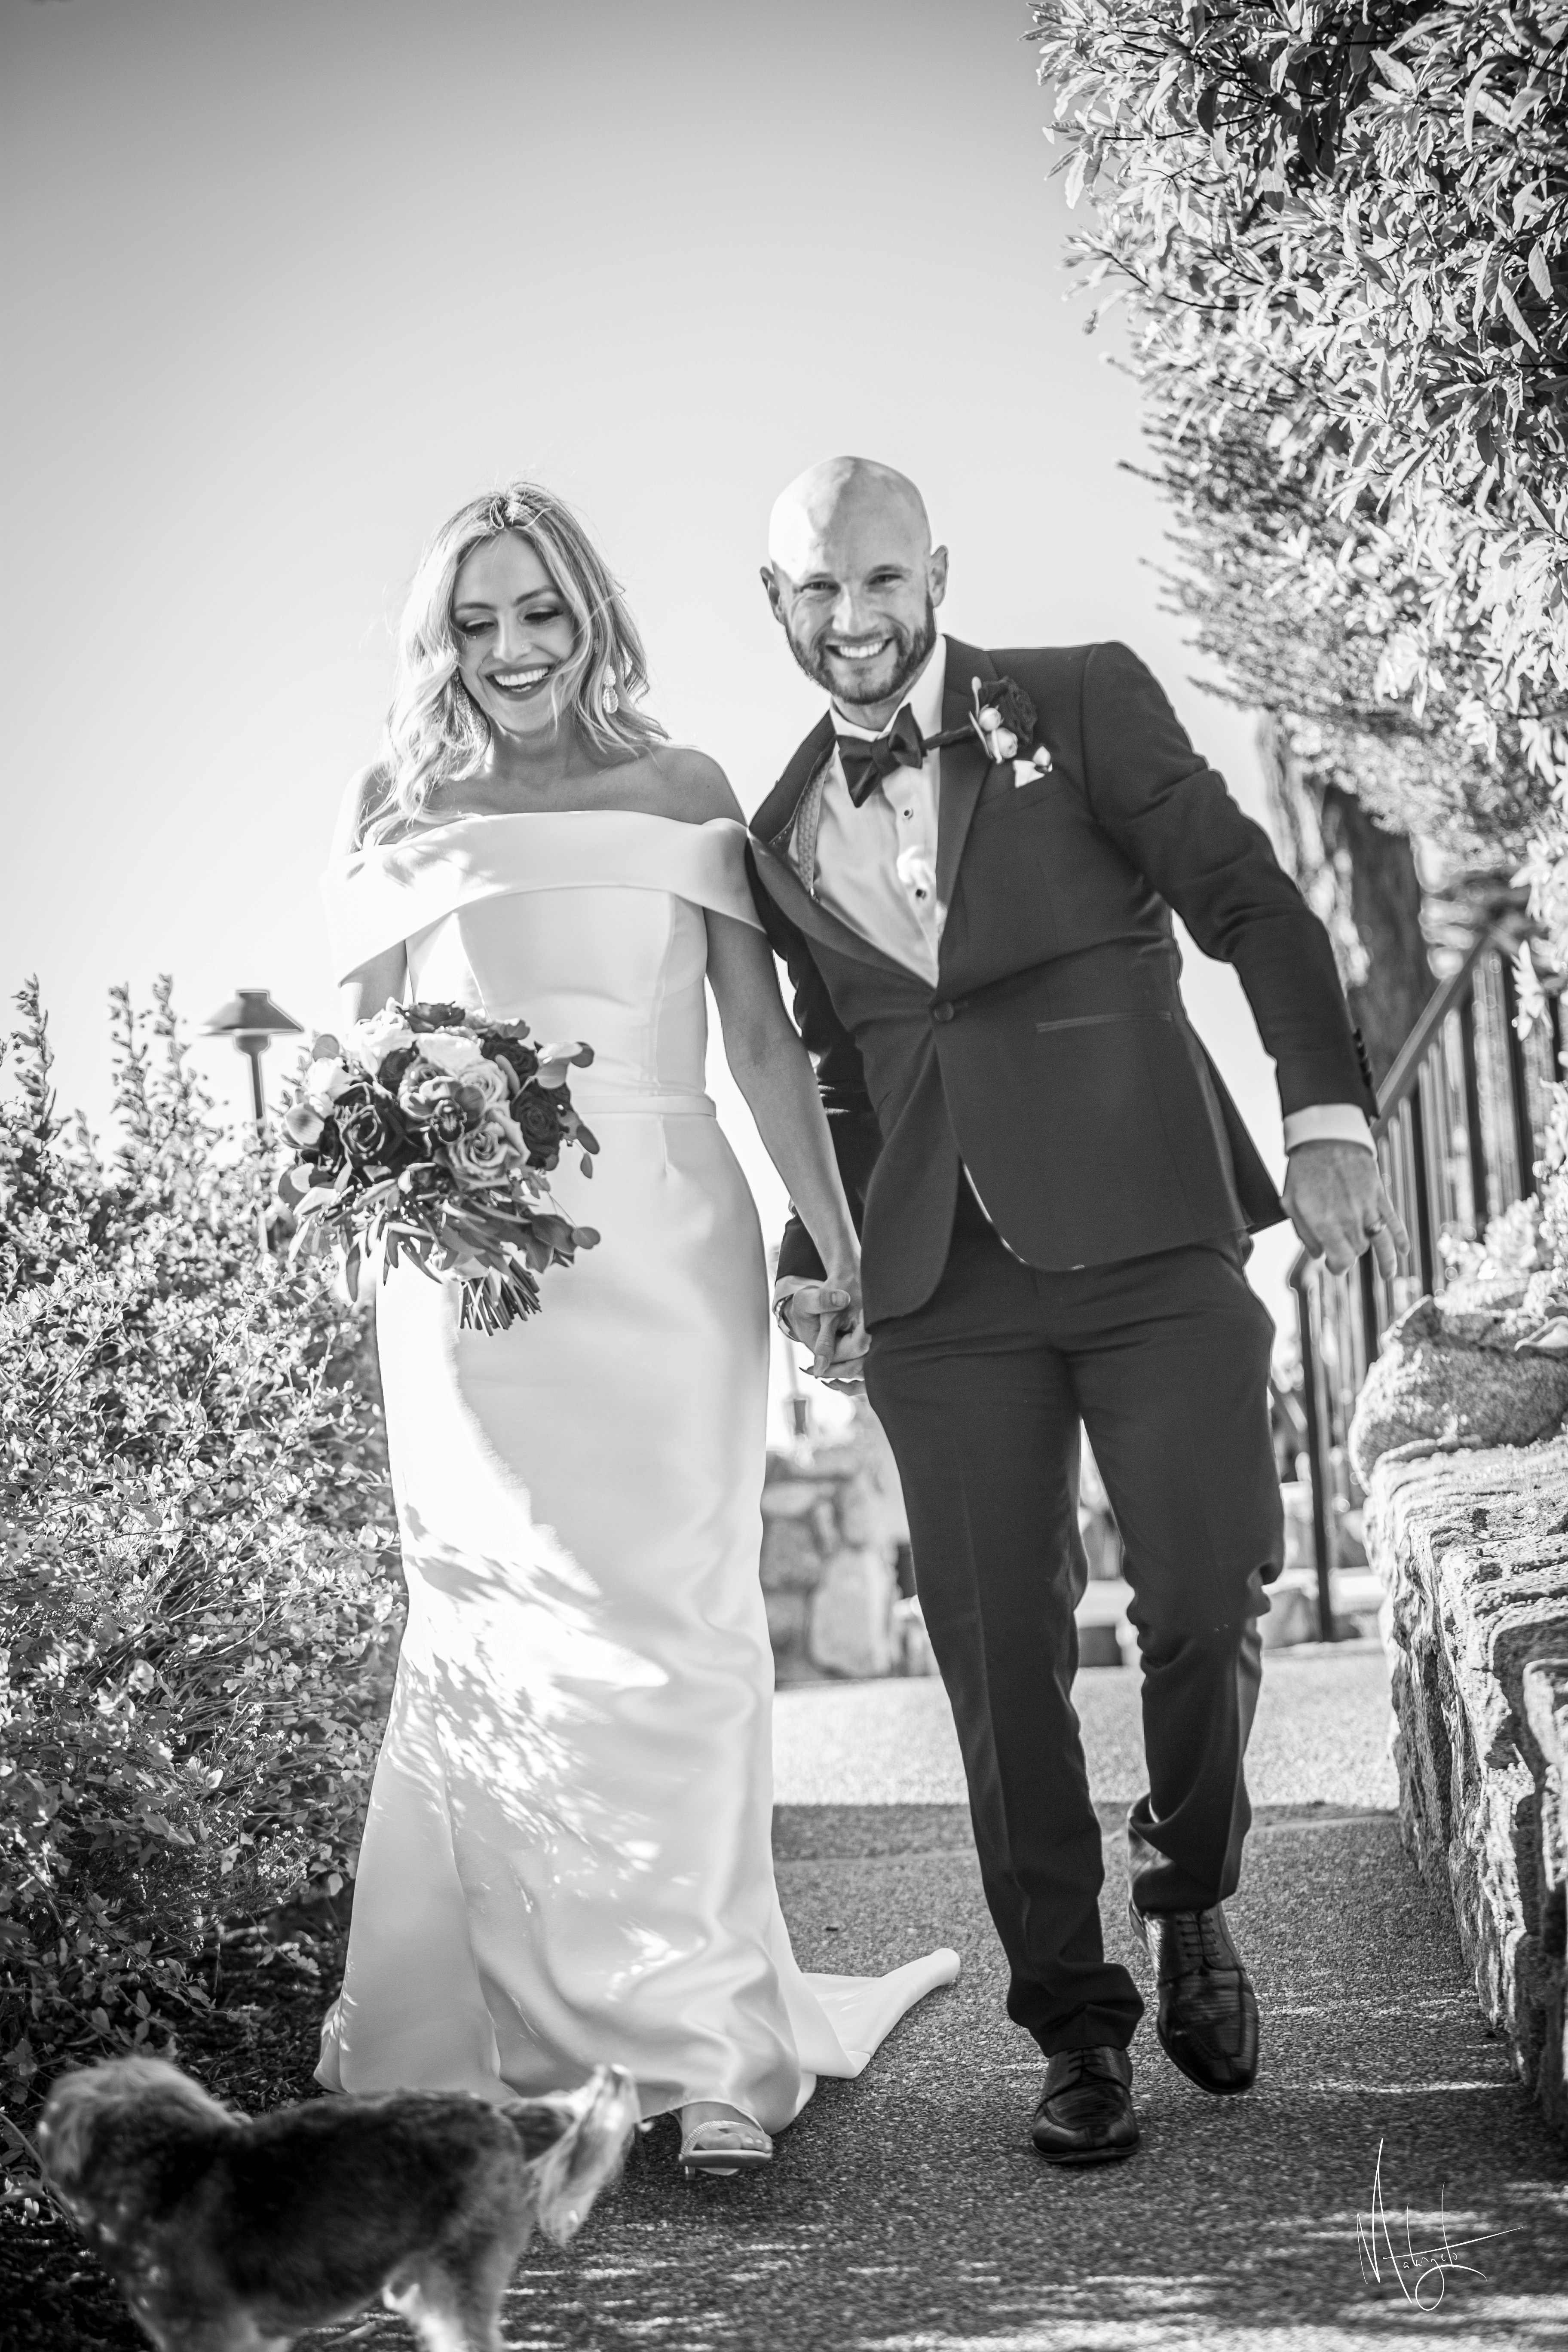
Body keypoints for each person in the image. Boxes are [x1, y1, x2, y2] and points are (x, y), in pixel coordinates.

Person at [750, 456, 1408, 2166]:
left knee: (1206, 1588)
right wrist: (812, 1257)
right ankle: (1076, 2025)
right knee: (998, 1662)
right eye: (817, 590)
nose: (854, 617)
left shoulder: (1081, 700)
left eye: (879, 578)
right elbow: (831, 1075)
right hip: (940, 1299)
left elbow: (1253, 900)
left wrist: (1325, 1120)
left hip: (1153, 1231)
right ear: (779, 610)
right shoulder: (771, 833)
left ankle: (1190, 1888)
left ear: (935, 573)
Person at [315, 482, 958, 2177]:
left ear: (591, 613)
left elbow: (759, 1049)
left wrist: (844, 1251)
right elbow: (359, 1065)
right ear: (441, 642)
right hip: (466, 1286)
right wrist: (393, 1189)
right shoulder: (399, 802)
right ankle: (508, 2044)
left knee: (677, 1635)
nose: (514, 649)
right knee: (500, 1629)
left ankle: (700, 2061)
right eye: (477, 620)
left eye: (542, 612)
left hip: (669, 1253)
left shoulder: (682, 789)